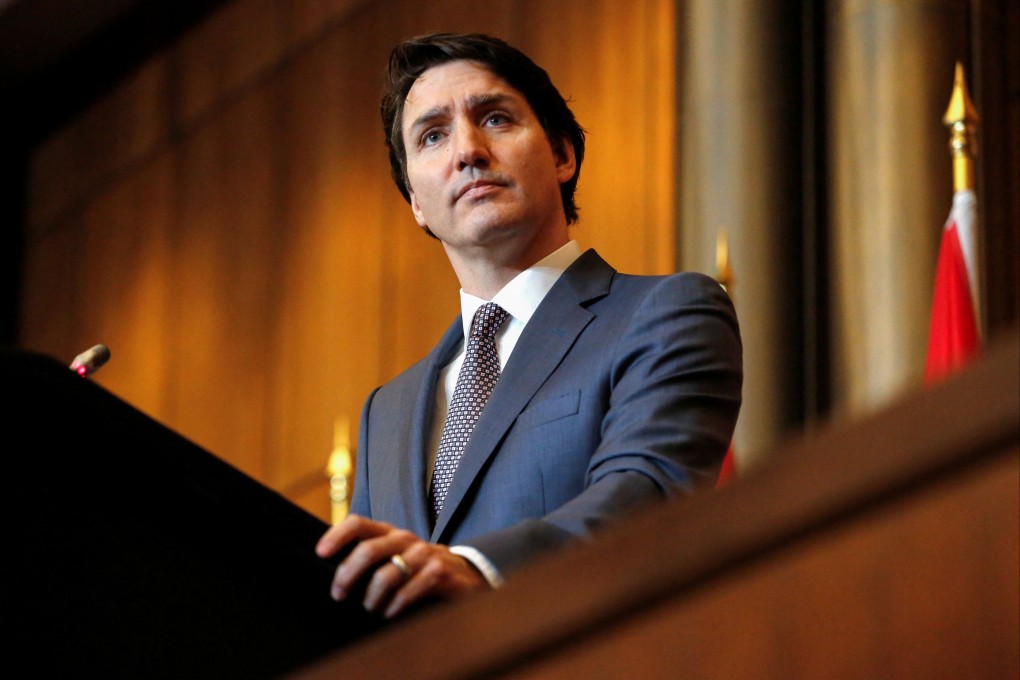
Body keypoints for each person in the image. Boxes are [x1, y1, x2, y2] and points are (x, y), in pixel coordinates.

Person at [315, 32, 742, 620]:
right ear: (415, 199)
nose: (467, 151)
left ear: (562, 155)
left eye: (494, 119)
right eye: (433, 135)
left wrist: (481, 570)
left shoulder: (665, 313)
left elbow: (647, 491)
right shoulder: (384, 413)